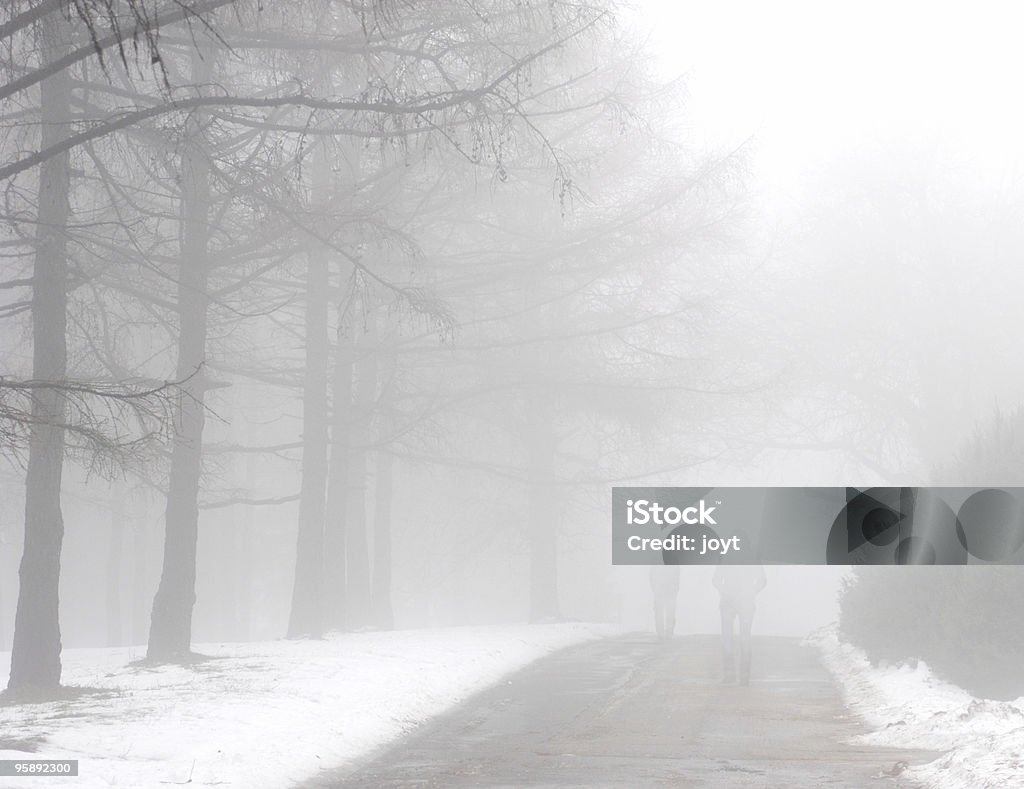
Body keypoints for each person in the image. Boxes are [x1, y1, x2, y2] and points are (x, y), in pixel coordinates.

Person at [712, 561, 766, 685]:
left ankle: (730, 675)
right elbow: (762, 581)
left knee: (728, 637)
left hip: (730, 602)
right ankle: (744, 678)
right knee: (744, 637)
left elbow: (715, 580)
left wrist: (724, 591)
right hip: (744, 602)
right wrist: (752, 591)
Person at [649, 563, 681, 639]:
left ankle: (665, 632)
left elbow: (651, 576)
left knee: (665, 612)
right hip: (664, 592)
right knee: (665, 612)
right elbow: (652, 576)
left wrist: (654, 588)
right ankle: (665, 633)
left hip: (665, 592)